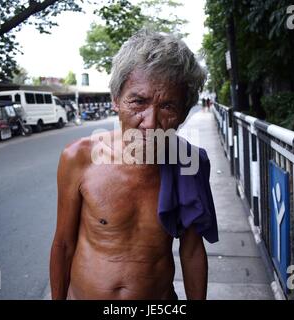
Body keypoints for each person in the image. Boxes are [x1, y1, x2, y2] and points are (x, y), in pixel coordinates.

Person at [50, 30, 218, 300]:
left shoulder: (189, 163)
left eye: (168, 107)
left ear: (184, 113)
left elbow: (192, 250)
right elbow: (64, 244)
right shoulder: (78, 158)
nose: (150, 122)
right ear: (116, 100)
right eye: (138, 102)